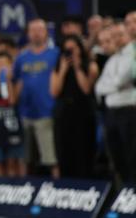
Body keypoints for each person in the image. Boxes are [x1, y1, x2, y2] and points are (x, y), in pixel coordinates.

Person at [15, 19, 60, 177]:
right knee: (25, 158)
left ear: (46, 33)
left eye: (39, 30)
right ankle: (24, 190)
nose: (36, 33)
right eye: (32, 30)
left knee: (51, 157)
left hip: (46, 111)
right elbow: (16, 82)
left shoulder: (55, 54)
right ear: (28, 33)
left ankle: (58, 188)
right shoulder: (21, 57)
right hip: (25, 112)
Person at [50, 34, 99, 179]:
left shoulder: (90, 65)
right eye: (68, 50)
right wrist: (64, 70)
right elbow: (54, 91)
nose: (71, 53)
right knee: (64, 152)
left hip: (83, 113)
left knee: (83, 153)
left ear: (80, 49)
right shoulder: (57, 68)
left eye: (74, 49)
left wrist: (78, 68)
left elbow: (86, 89)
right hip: (63, 113)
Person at [97, 15, 136, 184]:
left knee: (131, 155)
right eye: (114, 36)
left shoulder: (132, 55)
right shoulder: (113, 59)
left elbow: (121, 79)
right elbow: (99, 88)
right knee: (116, 156)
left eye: (120, 35)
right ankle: (124, 192)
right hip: (111, 113)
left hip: (128, 111)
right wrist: (115, 86)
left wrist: (113, 85)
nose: (116, 39)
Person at [0, 50, 26, 177]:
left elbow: (13, 101)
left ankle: (16, 186)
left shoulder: (17, 80)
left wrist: (7, 81)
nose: (2, 67)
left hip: (12, 122)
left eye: (5, 64)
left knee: (13, 160)